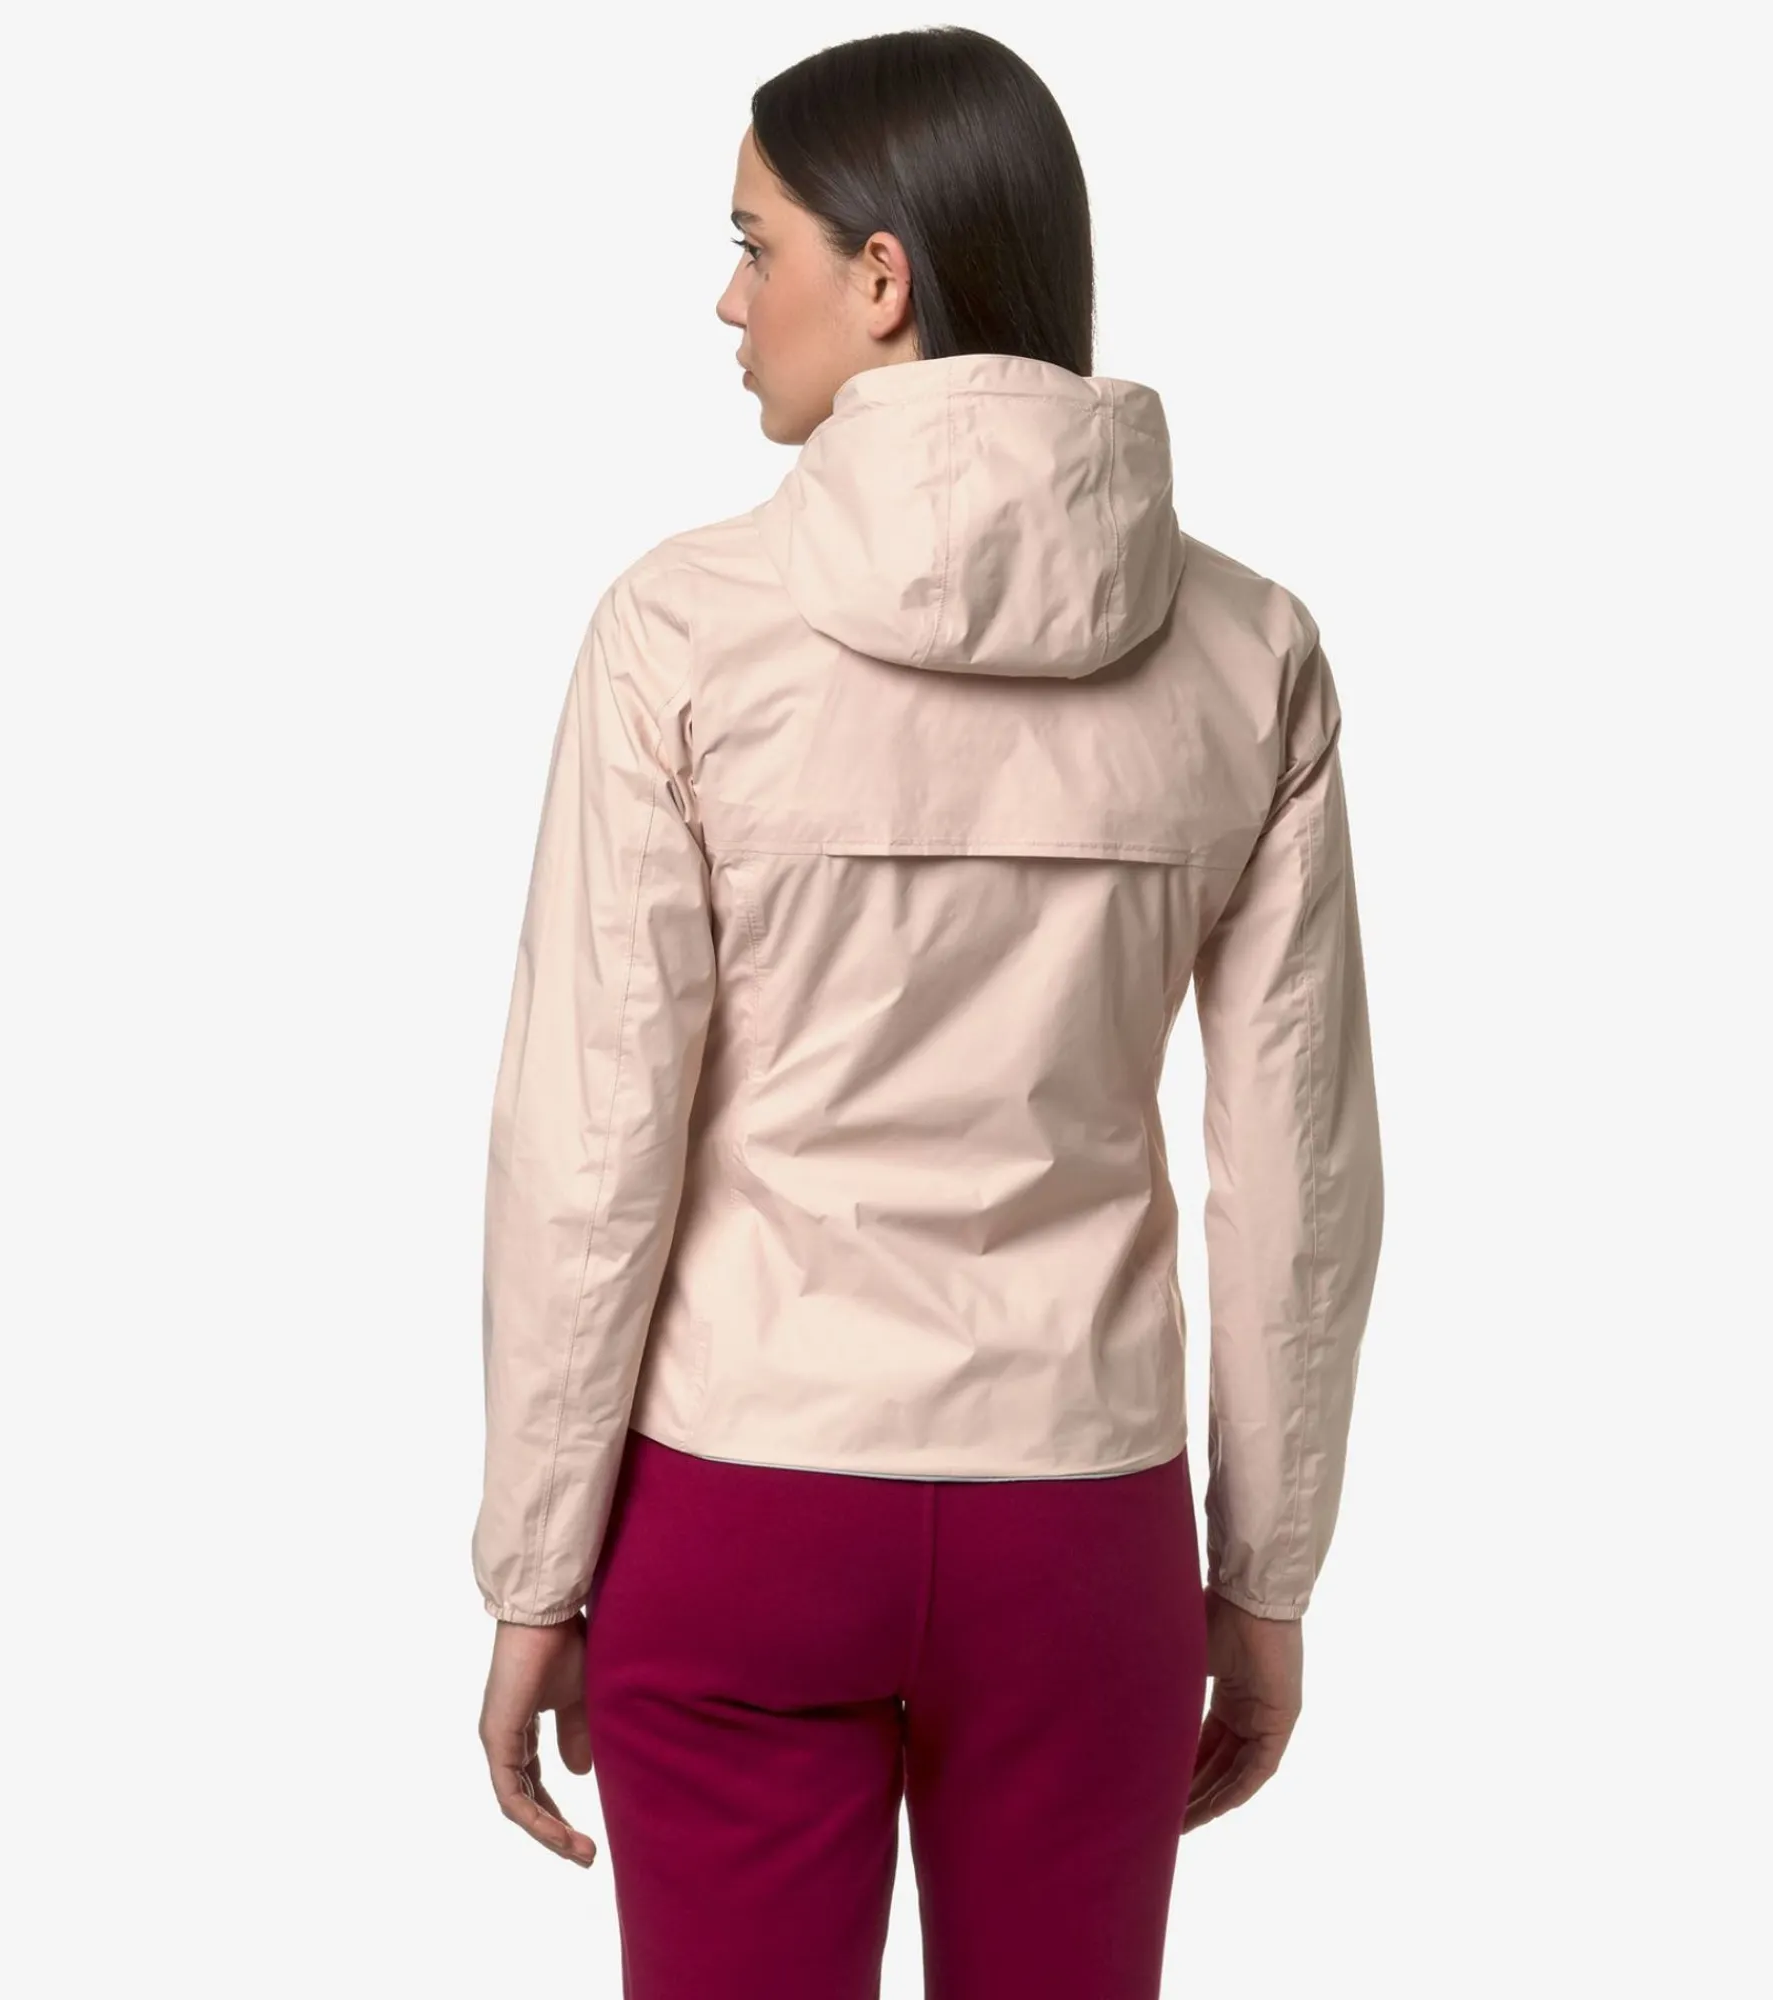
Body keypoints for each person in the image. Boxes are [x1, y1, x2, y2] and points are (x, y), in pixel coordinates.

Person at [472, 25, 1385, 2000]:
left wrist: (533, 1563)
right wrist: (1265, 1576)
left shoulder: (677, 634)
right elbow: (1297, 1177)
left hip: (741, 1508)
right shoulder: (1252, 652)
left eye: (755, 244)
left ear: (881, 277)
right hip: (1084, 1533)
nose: (729, 301)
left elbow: (590, 1147)